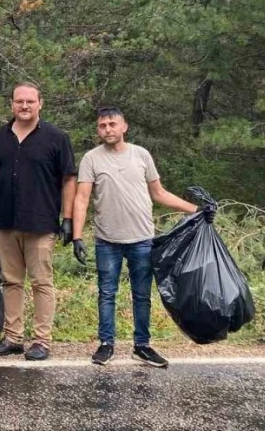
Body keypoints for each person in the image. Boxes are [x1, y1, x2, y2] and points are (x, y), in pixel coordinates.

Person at [73, 107, 200, 368]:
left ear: (124, 127)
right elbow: (82, 197)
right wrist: (76, 236)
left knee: (142, 294)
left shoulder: (140, 155)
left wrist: (197, 210)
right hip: (107, 239)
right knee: (107, 293)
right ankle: (106, 344)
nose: (107, 129)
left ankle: (142, 346)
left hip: (142, 238)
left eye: (112, 124)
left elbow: (159, 193)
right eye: (102, 126)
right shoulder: (91, 159)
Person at [0, 82, 76, 361]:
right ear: (12, 105)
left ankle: (42, 340)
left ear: (40, 103)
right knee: (10, 281)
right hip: (5, 221)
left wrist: (68, 219)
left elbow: (69, 179)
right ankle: (13, 337)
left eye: (30, 101)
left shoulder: (56, 138)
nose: (25, 106)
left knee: (42, 282)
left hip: (41, 222)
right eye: (19, 101)